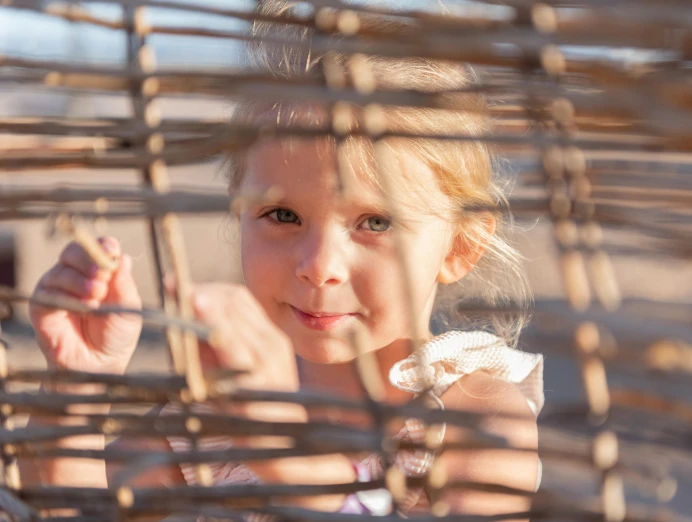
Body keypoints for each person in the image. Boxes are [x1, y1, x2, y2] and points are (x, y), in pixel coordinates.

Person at [21, 0, 544, 518]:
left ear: (459, 248)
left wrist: (293, 461)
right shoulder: (204, 424)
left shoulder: (476, 418)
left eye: (376, 223)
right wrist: (76, 387)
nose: (318, 266)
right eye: (282, 215)